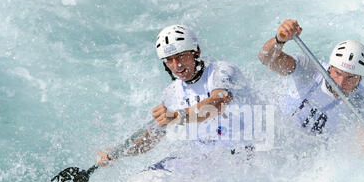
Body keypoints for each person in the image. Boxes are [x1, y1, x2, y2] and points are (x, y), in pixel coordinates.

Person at [97, 24, 254, 166]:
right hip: (209, 163)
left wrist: (178, 116)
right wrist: (117, 153)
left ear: (196, 51)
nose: (176, 65)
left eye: (181, 56)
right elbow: (151, 139)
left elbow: (218, 103)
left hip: (248, 154)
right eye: (169, 60)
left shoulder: (221, 71)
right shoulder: (171, 93)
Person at [258, 19, 364, 151]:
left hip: (308, 154)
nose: (340, 83)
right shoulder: (309, 68)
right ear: (330, 67)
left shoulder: (360, 101)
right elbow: (266, 58)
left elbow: (362, 148)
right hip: (276, 133)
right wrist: (279, 40)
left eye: (350, 78)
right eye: (337, 73)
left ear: (360, 79)